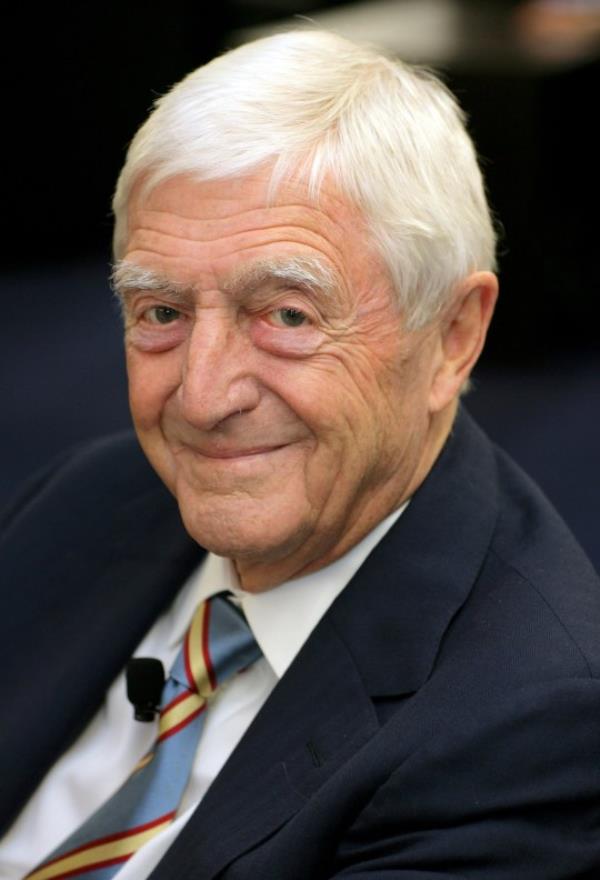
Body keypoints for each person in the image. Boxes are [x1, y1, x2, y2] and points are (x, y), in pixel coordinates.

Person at [1, 29, 599, 880]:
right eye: (161, 312)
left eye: (287, 316)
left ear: (453, 336)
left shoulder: (533, 732)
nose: (203, 399)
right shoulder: (85, 501)